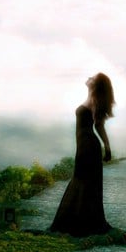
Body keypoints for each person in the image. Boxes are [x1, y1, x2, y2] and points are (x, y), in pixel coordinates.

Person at [50, 72, 115, 237]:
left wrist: (107, 147)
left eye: (93, 78)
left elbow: (99, 126)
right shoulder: (91, 98)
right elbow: (97, 125)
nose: (89, 78)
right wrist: (106, 147)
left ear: (96, 85)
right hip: (85, 146)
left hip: (88, 147)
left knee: (83, 182)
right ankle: (79, 220)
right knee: (82, 182)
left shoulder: (95, 101)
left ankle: (81, 223)